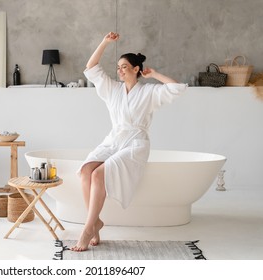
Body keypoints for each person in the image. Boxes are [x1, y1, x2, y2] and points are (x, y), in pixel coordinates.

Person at [71, 32, 188, 252]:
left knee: (98, 174)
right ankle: (95, 222)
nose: (120, 70)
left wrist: (154, 74)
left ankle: (88, 230)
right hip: (114, 140)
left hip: (136, 143)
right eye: (118, 67)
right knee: (86, 169)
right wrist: (105, 42)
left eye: (124, 66)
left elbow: (176, 88)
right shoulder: (112, 89)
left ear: (136, 69)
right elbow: (91, 67)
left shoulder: (148, 92)